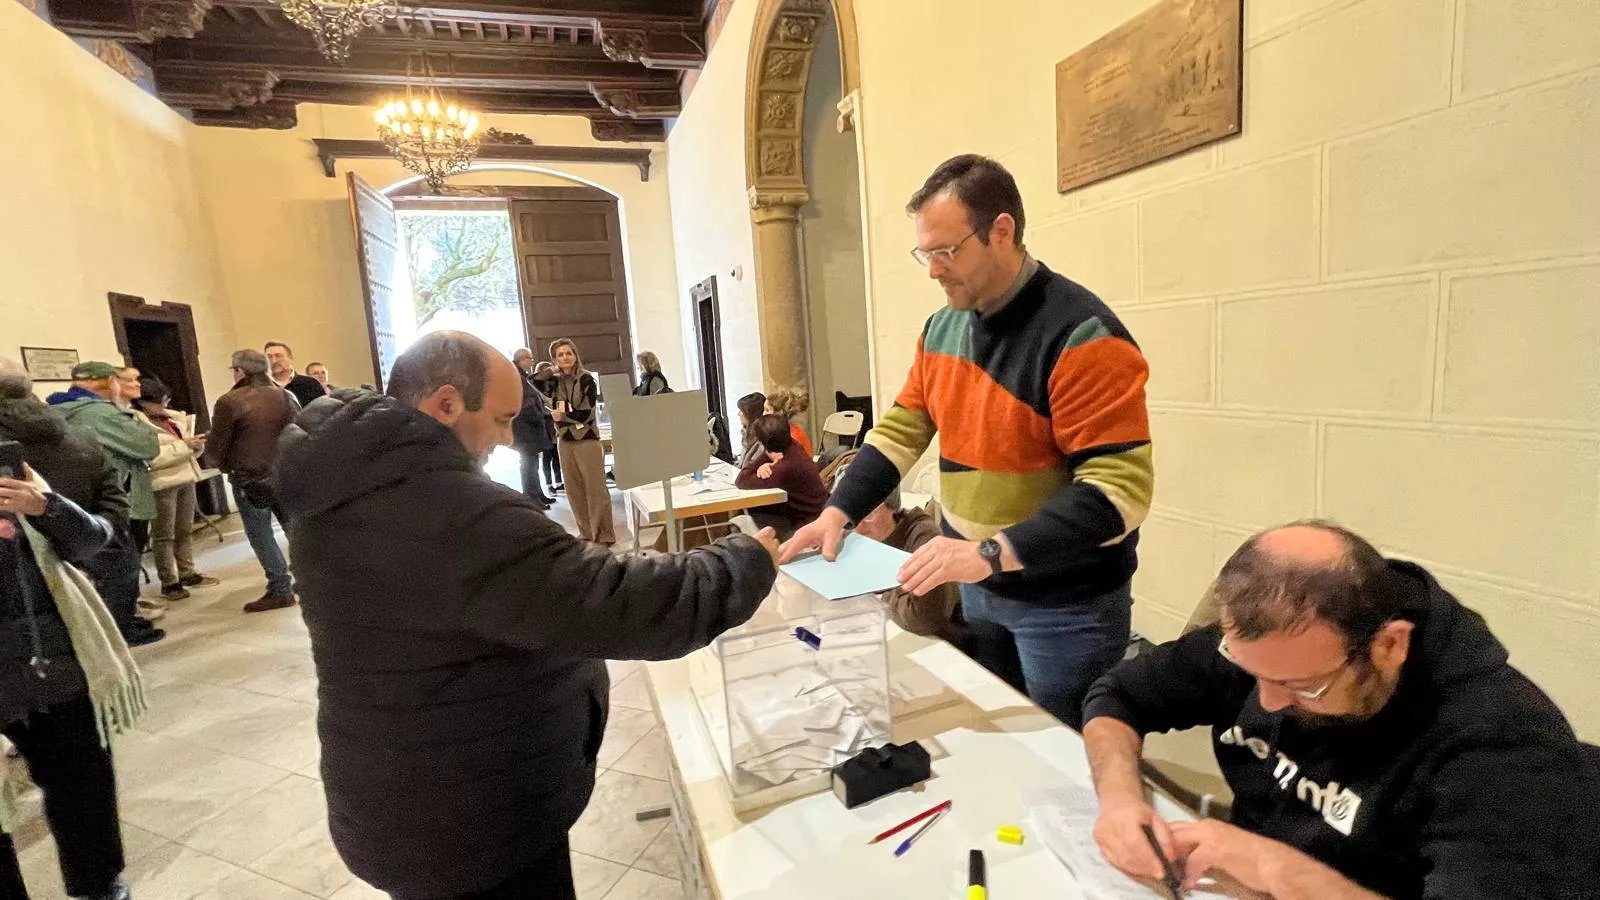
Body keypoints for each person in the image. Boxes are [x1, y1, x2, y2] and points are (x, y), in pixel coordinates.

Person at [274, 331, 781, 900]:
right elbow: (612, 600)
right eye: (500, 419)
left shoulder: (342, 488)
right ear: (446, 404)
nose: (506, 438)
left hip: (399, 787)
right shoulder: (453, 514)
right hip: (471, 813)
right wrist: (743, 560)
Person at [781, 154, 1154, 729]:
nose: (932, 270)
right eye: (924, 254)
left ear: (1001, 231)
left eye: (946, 252)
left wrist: (989, 553)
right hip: (977, 586)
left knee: (1060, 752)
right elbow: (902, 430)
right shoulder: (942, 328)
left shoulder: (1081, 335)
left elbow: (1119, 493)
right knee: (1000, 738)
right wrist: (839, 511)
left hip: (1064, 605)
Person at [1082, 521, 1600, 900]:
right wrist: (1121, 799)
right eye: (1253, 674)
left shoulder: (1502, 750)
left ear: (1390, 646)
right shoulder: (1272, 648)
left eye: (1304, 687)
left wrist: (1277, 869)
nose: (1268, 702)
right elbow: (1118, 696)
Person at [0, 464, 146, 900]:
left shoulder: (16, 477)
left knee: (80, 781)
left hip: (53, 657)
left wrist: (44, 507)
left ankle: (100, 884)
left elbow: (93, 541)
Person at [45, 362, 164, 647]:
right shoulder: (101, 413)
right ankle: (121, 628)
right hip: (119, 497)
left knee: (98, 567)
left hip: (76, 500)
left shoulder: (54, 409)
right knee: (123, 565)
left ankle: (118, 619)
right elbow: (148, 446)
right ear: (109, 383)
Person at [204, 349, 299, 613]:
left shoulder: (230, 401)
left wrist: (223, 465)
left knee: (261, 535)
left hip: (249, 478)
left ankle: (280, 589)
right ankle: (309, 581)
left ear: (240, 371)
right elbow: (299, 432)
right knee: (294, 530)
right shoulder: (286, 396)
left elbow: (218, 446)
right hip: (286, 473)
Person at [132, 377, 219, 602]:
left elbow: (186, 449)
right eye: (160, 401)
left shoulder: (171, 418)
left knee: (184, 530)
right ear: (142, 402)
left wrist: (196, 447)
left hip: (186, 477)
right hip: (161, 483)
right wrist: (183, 446)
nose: (165, 404)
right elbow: (150, 458)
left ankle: (188, 572)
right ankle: (169, 581)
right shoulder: (135, 423)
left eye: (166, 399)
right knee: (164, 534)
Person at [854, 489, 969, 652]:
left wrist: (883, 596)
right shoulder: (861, 538)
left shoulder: (923, 537)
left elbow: (923, 618)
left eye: (869, 513)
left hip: (942, 647)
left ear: (893, 507)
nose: (858, 527)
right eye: (851, 515)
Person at [548, 339, 613, 547]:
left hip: (587, 440)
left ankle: (603, 534)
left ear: (575, 356)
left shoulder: (586, 379)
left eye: (569, 353)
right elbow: (532, 381)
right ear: (554, 359)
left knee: (595, 489)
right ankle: (585, 531)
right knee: (573, 489)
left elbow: (586, 413)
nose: (565, 357)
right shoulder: (554, 382)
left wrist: (562, 417)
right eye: (560, 355)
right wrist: (550, 371)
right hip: (565, 440)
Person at [735, 414, 827, 537]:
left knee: (751, 511)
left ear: (763, 443)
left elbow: (741, 480)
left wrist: (764, 460)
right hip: (815, 513)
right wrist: (765, 462)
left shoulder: (783, 470)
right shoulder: (794, 446)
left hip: (806, 524)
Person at [510, 348, 556, 509]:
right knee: (528, 465)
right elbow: (526, 402)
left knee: (533, 463)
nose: (532, 361)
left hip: (529, 427)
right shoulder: (516, 376)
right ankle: (531, 497)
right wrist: (539, 414)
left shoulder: (522, 375)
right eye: (530, 358)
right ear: (522, 359)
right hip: (525, 428)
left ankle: (538, 493)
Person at [264, 341, 327, 409]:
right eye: (269, 357)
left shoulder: (310, 384)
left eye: (278, 356)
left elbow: (324, 411)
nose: (274, 361)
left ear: (291, 359)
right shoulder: (261, 387)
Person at [530, 362, 562, 493]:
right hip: (546, 425)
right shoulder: (536, 389)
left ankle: (559, 481)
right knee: (547, 456)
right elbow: (543, 406)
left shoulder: (555, 385)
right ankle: (549, 484)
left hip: (556, 424)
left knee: (556, 455)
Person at [764, 388, 813, 458]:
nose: (763, 414)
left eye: (767, 410)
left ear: (779, 413)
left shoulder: (792, 436)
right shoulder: (779, 432)